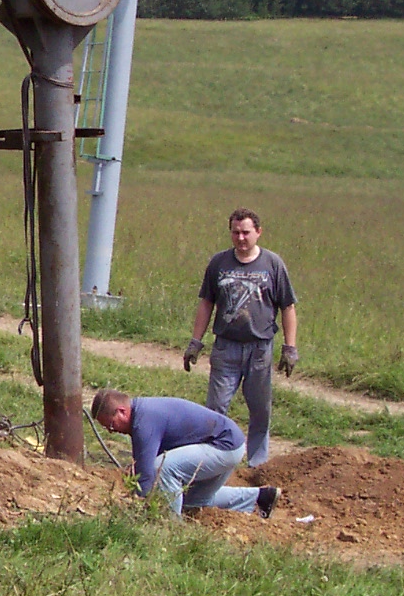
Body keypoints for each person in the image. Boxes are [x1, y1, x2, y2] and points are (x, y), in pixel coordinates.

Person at [185, 208, 297, 467]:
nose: (241, 238)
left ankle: (257, 465)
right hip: (226, 347)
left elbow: (288, 307)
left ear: (258, 232)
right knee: (215, 408)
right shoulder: (219, 263)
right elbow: (206, 303)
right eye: (235, 232)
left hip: (260, 348)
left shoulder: (273, 264)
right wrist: (195, 341)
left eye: (246, 232)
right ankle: (211, 460)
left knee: (260, 410)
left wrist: (290, 348)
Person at [90, 387, 278, 518]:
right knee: (191, 500)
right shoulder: (142, 414)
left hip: (223, 445)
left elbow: (147, 475)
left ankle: (171, 528)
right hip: (227, 444)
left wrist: (136, 509)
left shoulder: (144, 422)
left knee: (162, 470)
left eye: (111, 426)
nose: (111, 431)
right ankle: (259, 499)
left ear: (122, 411)